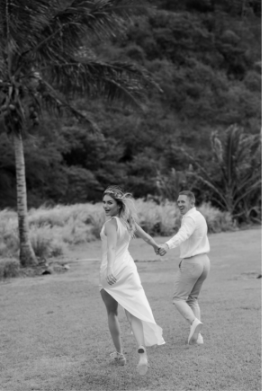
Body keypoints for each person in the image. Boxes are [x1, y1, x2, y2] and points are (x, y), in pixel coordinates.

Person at [99, 186, 165, 375]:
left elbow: (111, 248)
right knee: (133, 312)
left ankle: (120, 354)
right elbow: (146, 237)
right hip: (129, 270)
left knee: (112, 313)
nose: (105, 206)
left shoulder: (111, 223)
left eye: (109, 202)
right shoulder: (128, 222)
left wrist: (110, 268)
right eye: (103, 202)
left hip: (111, 270)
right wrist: (156, 246)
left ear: (118, 205)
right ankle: (141, 350)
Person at [158, 190, 210, 345]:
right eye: (178, 201)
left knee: (178, 299)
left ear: (191, 202)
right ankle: (197, 337)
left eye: (183, 201)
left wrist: (167, 246)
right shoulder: (199, 215)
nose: (179, 204)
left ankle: (194, 323)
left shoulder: (189, 218)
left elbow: (183, 234)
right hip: (205, 262)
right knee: (192, 299)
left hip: (192, 263)